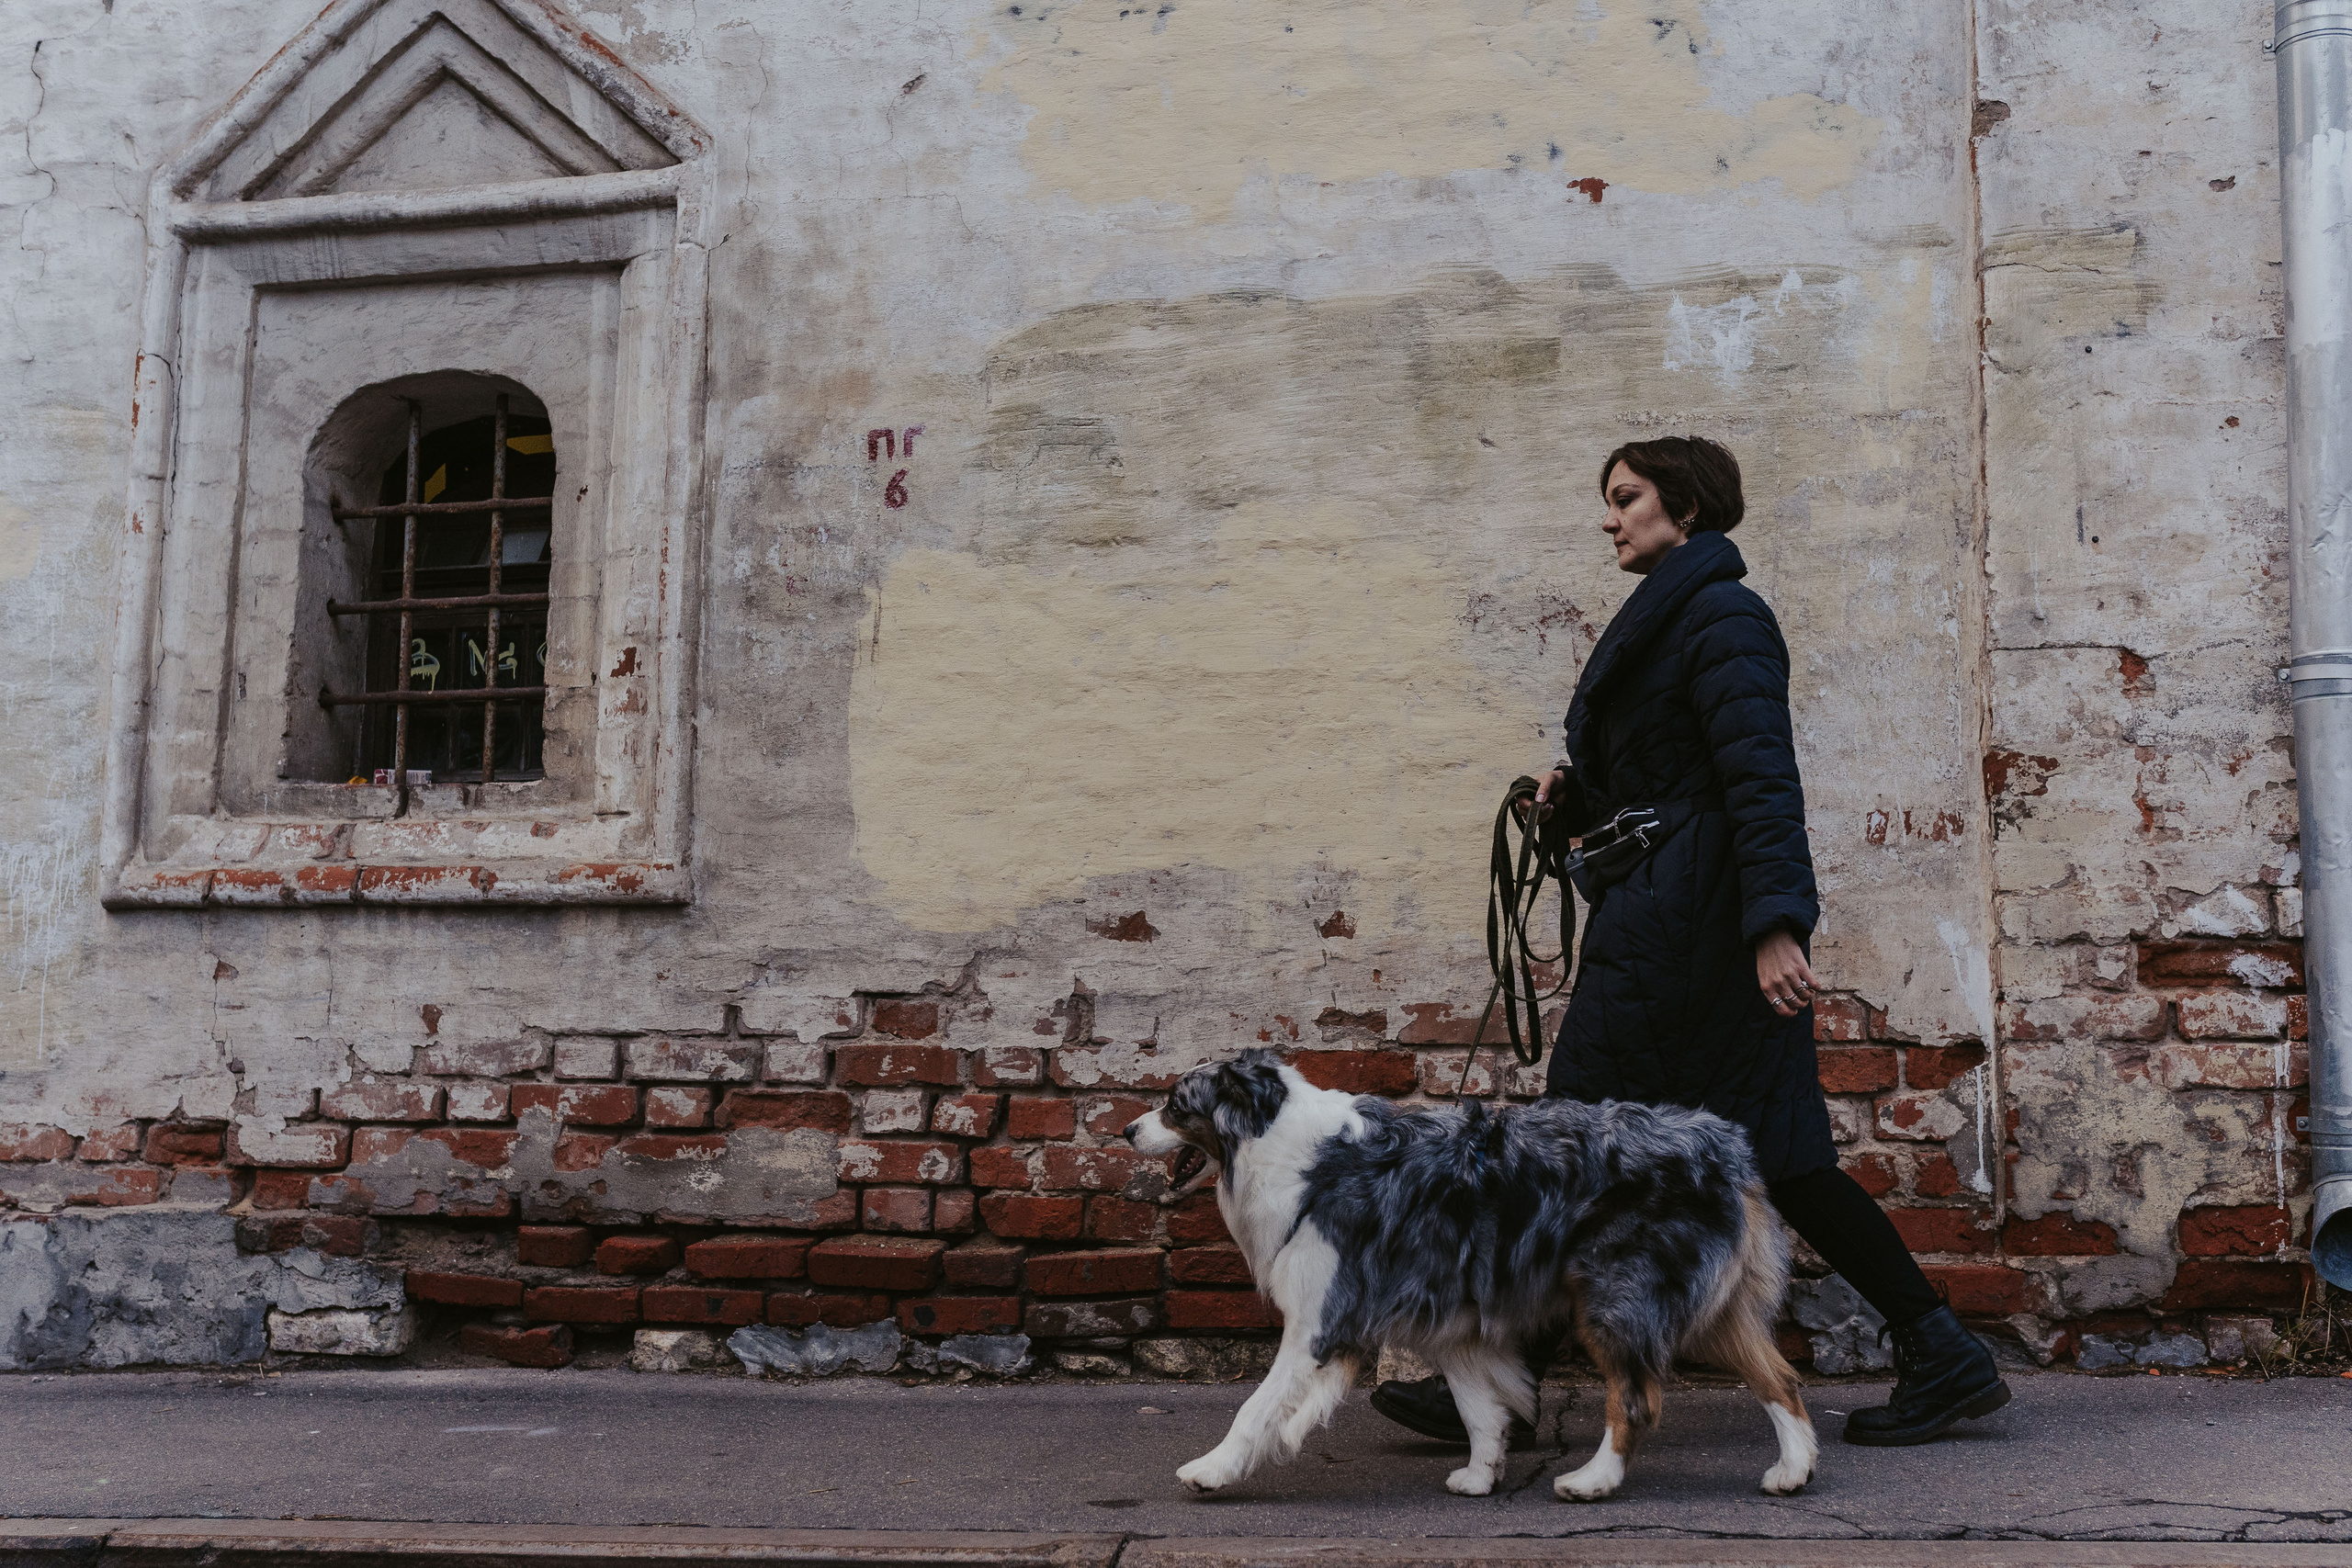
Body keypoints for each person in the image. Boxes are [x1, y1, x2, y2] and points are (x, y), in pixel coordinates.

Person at [1370, 436, 2008, 1449]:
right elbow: (1671, 784)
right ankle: (1941, 1352)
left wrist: (1776, 928)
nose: (1609, 517)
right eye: (1609, 501)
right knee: (1723, 1152)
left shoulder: (1722, 617)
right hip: (1666, 920)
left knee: (1639, 1147)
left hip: (1702, 933)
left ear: (1688, 505)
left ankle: (1512, 1385)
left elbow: (1760, 780)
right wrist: (1573, 801)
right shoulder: (1674, 617)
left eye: (1626, 498)